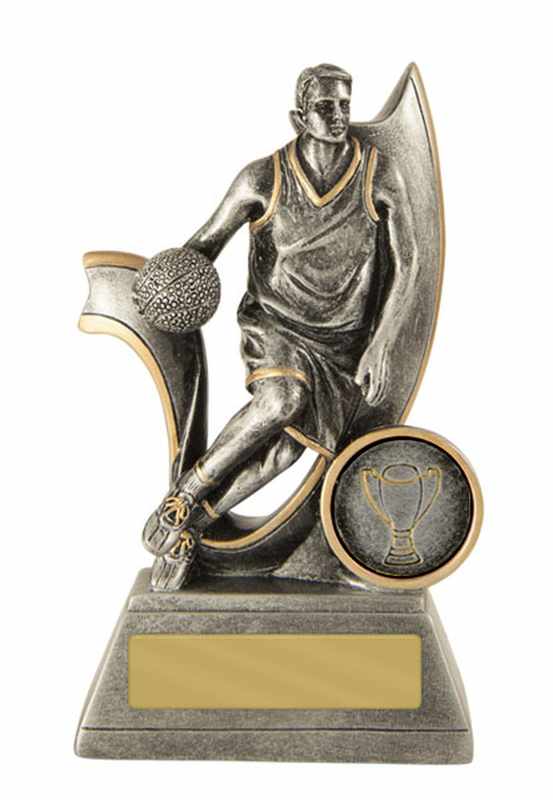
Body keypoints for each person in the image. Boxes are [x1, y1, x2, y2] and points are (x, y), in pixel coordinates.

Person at [143, 63, 418, 589]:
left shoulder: (378, 173)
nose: (338, 116)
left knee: (291, 446)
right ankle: (183, 496)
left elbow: (410, 263)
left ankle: (192, 528)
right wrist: (164, 288)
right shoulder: (262, 178)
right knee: (281, 401)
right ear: (299, 117)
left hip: (342, 340)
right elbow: (204, 245)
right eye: (324, 107)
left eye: (344, 104)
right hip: (275, 326)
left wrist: (381, 343)